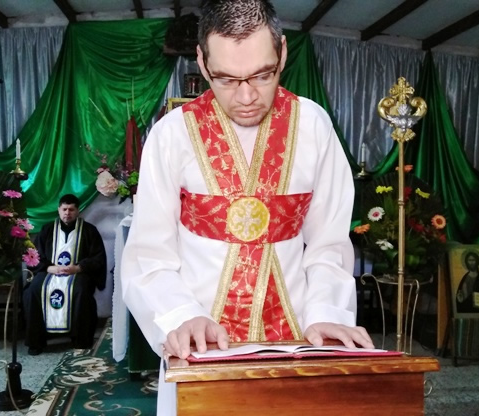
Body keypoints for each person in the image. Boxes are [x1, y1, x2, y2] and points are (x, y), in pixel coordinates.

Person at [121, 1, 372, 413]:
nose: (246, 96)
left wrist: (327, 311)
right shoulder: (171, 136)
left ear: (283, 53)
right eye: (225, 78)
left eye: (262, 74)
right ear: (202, 62)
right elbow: (150, 255)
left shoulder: (313, 127)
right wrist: (180, 316)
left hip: (298, 340)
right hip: (201, 346)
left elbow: (328, 243)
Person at [23, 194, 106, 355]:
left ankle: (80, 340)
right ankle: (36, 342)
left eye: (71, 209)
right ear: (59, 210)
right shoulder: (47, 230)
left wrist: (78, 267)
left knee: (81, 290)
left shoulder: (89, 231)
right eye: (64, 209)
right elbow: (34, 256)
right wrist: (49, 268)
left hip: (78, 273)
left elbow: (98, 258)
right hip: (49, 271)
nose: (67, 213)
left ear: (78, 211)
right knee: (33, 290)